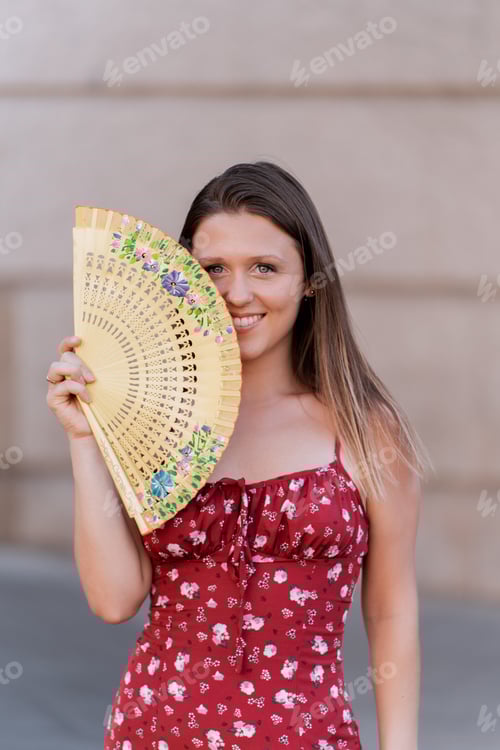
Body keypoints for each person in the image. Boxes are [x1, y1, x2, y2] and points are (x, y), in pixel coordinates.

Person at [46, 161, 430, 750]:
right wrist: (82, 439)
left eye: (265, 268)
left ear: (310, 281)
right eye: (214, 270)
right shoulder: (155, 422)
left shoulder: (365, 427)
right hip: (154, 731)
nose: (237, 293)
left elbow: (391, 608)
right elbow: (114, 599)